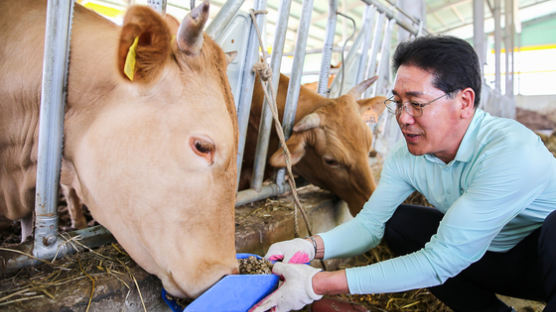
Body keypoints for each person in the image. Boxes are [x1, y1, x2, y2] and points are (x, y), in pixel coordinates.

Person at [249, 35, 556, 312]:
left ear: (464, 101)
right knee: (398, 221)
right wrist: (308, 247)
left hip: (543, 265)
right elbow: (370, 224)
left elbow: (440, 261)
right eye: (397, 102)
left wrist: (317, 284)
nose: (403, 118)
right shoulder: (408, 155)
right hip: (490, 253)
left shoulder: (511, 152)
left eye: (417, 104)